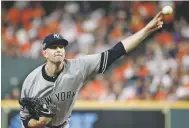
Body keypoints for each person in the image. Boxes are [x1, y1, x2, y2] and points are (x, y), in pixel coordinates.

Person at [19, 11, 163, 128]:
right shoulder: (32, 81)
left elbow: (115, 52)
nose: (58, 50)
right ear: (44, 53)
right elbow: (25, 119)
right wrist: (38, 123)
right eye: (53, 47)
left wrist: (146, 30)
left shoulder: (78, 67)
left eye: (61, 47)